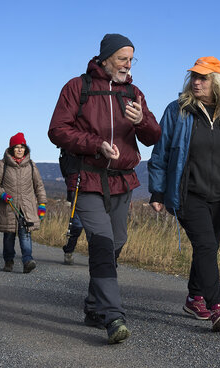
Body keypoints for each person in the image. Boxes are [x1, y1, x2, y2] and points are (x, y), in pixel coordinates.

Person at [48, 33, 161, 344]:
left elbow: (153, 137)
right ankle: (113, 315)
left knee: (116, 242)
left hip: (123, 181)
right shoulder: (77, 87)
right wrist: (95, 144)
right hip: (87, 178)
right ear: (106, 58)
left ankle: (94, 305)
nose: (128, 64)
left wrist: (142, 122)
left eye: (131, 59)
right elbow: (57, 130)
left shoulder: (134, 93)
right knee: (101, 241)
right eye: (123, 58)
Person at [148, 56, 220, 332]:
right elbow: (161, 153)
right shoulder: (177, 111)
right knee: (205, 247)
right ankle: (217, 306)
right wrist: (157, 190)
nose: (196, 82)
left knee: (208, 248)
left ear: (217, 83)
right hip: (189, 195)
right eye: (194, 77)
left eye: (203, 78)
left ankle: (194, 297)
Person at [0, 132, 47, 274]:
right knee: (9, 235)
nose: (20, 149)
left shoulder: (31, 166)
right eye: (16, 147)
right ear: (11, 149)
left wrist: (42, 204)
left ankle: (27, 260)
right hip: (8, 206)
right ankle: (8, 261)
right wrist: (2, 194)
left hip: (26, 207)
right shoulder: (2, 165)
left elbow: (38, 186)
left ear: (26, 149)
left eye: (22, 147)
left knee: (26, 233)